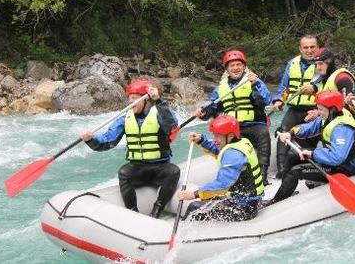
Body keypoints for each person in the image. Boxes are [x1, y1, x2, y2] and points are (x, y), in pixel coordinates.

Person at [80, 79, 181, 218]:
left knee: (174, 171)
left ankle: (157, 210)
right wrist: (90, 140)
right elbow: (108, 141)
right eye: (129, 98)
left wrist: (158, 100)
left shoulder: (159, 114)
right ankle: (133, 212)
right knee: (124, 172)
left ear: (146, 99)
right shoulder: (124, 119)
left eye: (134, 98)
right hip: (137, 168)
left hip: (160, 167)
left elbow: (171, 124)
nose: (130, 101)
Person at [267, 90, 355, 205]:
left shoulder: (342, 128)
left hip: (345, 168)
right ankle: (286, 191)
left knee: (296, 171)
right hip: (332, 160)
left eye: (320, 109)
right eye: (318, 108)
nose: (318, 112)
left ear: (332, 109)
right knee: (292, 156)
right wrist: (291, 133)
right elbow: (311, 127)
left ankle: (275, 203)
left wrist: (313, 154)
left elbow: (338, 157)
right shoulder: (330, 116)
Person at [194, 49, 272, 184]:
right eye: (232, 65)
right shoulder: (220, 88)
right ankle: (230, 176)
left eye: (238, 65)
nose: (235, 68)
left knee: (263, 133)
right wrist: (203, 112)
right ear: (227, 69)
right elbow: (212, 106)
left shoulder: (253, 80)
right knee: (224, 141)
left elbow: (266, 100)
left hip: (254, 124)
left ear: (244, 67)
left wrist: (256, 84)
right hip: (233, 129)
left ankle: (262, 175)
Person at [178, 115, 264, 221]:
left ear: (231, 136)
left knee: (194, 207)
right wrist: (201, 140)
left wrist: (193, 194)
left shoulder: (234, 155)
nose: (215, 140)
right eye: (214, 135)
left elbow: (222, 186)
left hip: (244, 208)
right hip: (248, 199)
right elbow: (219, 149)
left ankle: (183, 235)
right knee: (208, 197)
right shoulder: (241, 142)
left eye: (218, 136)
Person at [270, 35, 320, 179]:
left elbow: (327, 87)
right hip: (294, 109)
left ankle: (308, 166)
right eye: (306, 47)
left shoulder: (322, 64)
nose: (309, 50)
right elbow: (284, 87)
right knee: (282, 133)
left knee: (309, 137)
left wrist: (314, 89)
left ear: (317, 47)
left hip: (314, 110)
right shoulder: (292, 63)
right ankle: (281, 170)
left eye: (312, 47)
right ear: (300, 49)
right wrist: (279, 100)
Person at [300, 48, 355, 121]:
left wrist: (319, 113)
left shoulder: (343, 78)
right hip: (328, 121)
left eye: (321, 64)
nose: (318, 67)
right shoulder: (323, 79)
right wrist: (317, 112)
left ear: (330, 63)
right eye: (316, 64)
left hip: (344, 125)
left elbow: (350, 107)